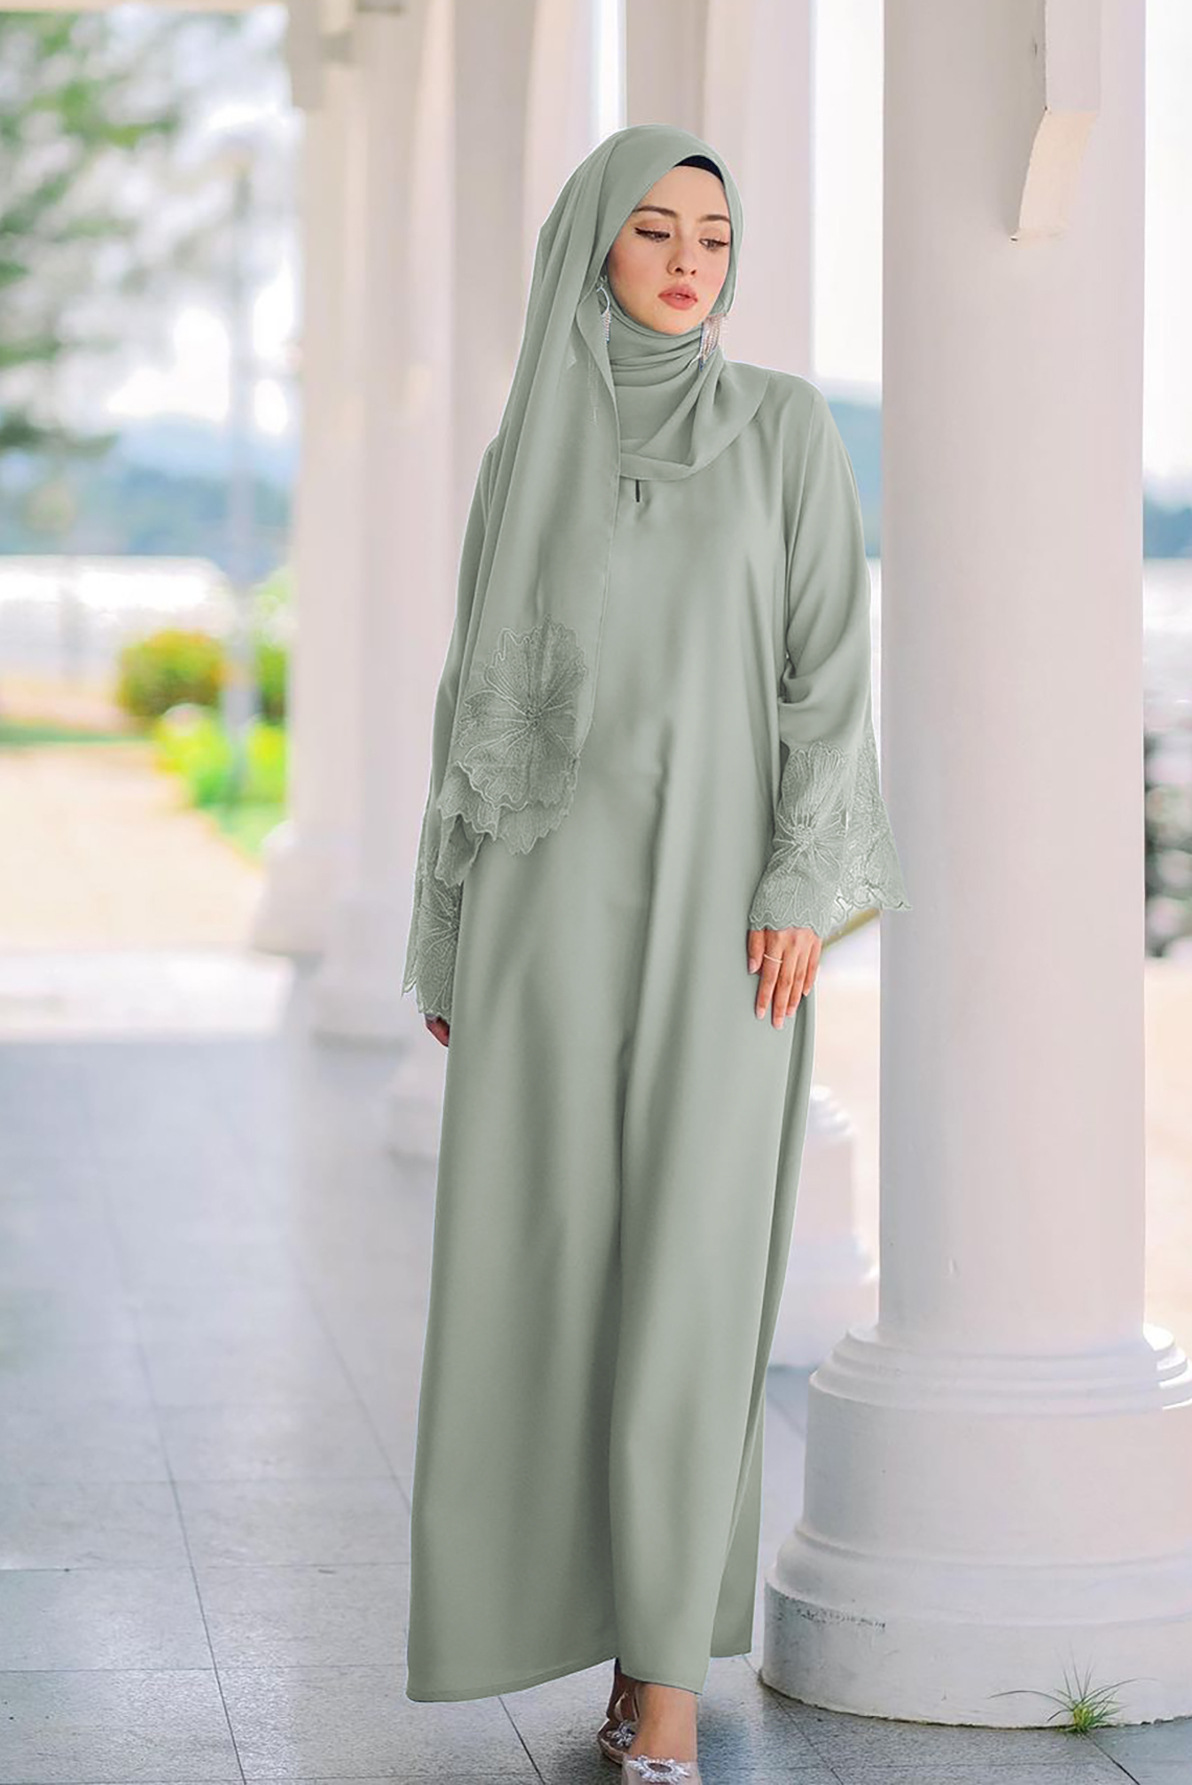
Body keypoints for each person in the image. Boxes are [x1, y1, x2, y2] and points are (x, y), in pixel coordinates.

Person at [400, 123, 910, 1784]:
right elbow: (469, 701)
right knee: (537, 1269)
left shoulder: (782, 432)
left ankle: (667, 1675)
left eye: (715, 234)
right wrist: (450, 926)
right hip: (542, 906)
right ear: (590, 248)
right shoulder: (526, 450)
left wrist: (798, 879)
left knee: (693, 1270)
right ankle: (566, 1628)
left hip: (724, 918)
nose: (690, 261)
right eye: (654, 228)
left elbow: (828, 674)